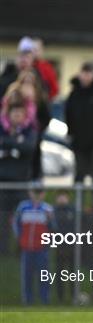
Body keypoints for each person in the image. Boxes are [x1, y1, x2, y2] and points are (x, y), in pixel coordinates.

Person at [0, 100, 37, 255]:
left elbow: (29, 148)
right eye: (14, 113)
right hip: (3, 184)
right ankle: (3, 251)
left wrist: (8, 148)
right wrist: (16, 145)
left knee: (23, 219)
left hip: (21, 184)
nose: (16, 116)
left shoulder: (30, 131)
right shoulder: (3, 130)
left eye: (19, 113)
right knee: (2, 221)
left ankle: (21, 251)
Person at [65, 63, 93, 183]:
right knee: (80, 172)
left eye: (89, 74)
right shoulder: (74, 94)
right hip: (78, 141)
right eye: (84, 73)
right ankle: (79, 200)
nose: (86, 77)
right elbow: (68, 115)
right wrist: (71, 133)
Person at [13, 188, 55, 305]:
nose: (37, 195)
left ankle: (45, 299)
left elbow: (53, 228)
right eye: (34, 192)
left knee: (44, 275)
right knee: (27, 275)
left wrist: (48, 242)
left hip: (42, 249)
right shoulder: (23, 207)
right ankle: (27, 300)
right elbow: (16, 224)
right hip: (27, 248)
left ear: (44, 194)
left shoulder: (47, 208)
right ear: (30, 193)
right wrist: (21, 239)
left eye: (40, 192)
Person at [53, 190, 75, 303]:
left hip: (72, 247)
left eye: (64, 196)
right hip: (58, 247)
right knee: (60, 272)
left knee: (73, 272)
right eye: (60, 196)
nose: (62, 199)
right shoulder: (53, 211)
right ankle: (60, 297)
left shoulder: (73, 210)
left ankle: (73, 296)